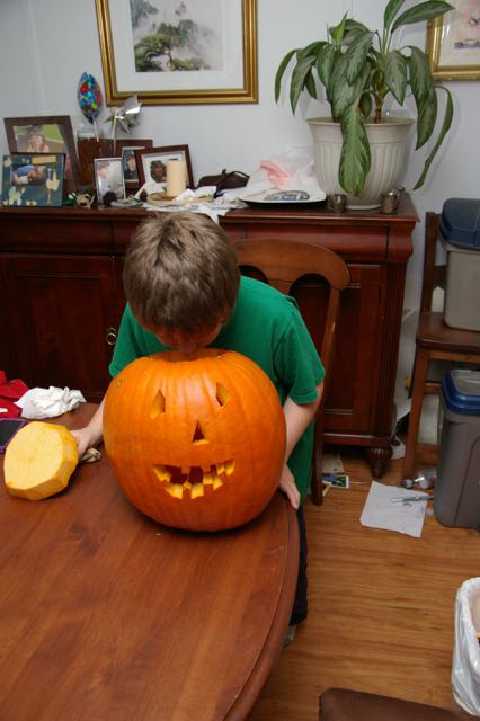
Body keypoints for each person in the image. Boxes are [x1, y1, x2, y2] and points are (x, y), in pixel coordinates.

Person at [72, 212, 324, 631]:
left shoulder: (275, 316)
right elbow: (123, 385)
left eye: (202, 334)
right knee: (182, 584)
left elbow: (307, 392)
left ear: (228, 304)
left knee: (278, 574)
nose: (185, 348)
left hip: (271, 470)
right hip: (168, 479)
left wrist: (273, 458)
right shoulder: (143, 311)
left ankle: (289, 619)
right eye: (167, 338)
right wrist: (90, 431)